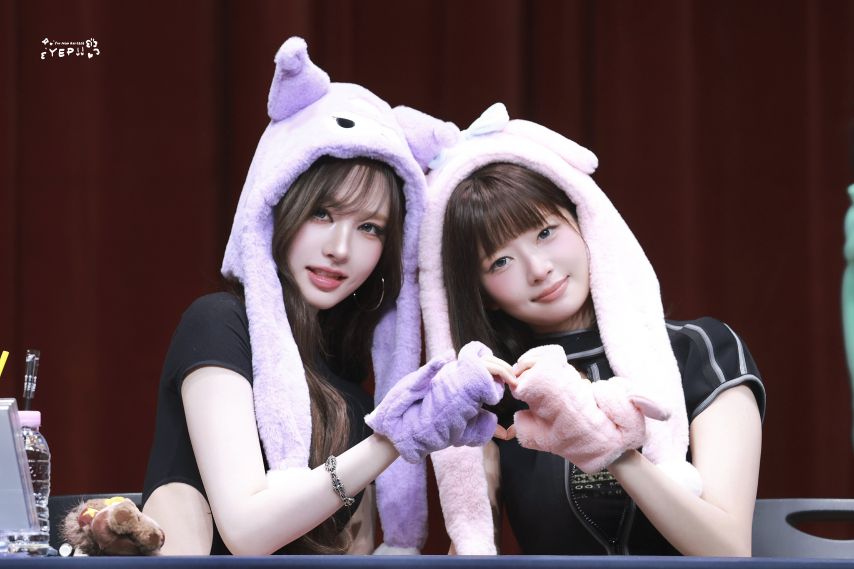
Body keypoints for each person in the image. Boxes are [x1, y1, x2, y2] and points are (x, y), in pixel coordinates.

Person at [141, 38, 504, 556]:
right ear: (277, 204)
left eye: (370, 228)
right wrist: (390, 440)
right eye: (322, 214)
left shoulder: (350, 381)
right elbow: (246, 531)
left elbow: (355, 550)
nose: (340, 249)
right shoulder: (220, 324)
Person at [420, 104, 766, 556]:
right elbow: (473, 550)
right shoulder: (499, 391)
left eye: (545, 232)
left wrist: (606, 446)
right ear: (481, 293)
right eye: (500, 261)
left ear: (583, 221)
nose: (539, 268)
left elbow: (728, 551)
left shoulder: (701, 350)